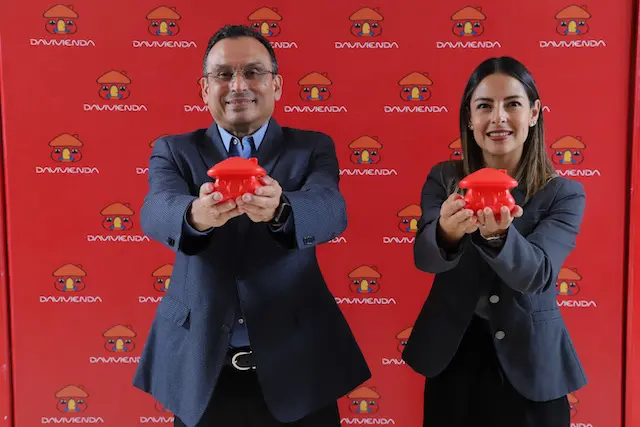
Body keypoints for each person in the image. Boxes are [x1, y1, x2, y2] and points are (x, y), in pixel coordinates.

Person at [132, 24, 371, 427]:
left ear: (276, 85)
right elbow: (156, 209)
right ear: (205, 89)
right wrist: (196, 216)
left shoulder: (312, 147)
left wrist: (281, 210)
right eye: (223, 74)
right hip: (203, 370)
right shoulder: (174, 150)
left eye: (253, 72)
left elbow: (330, 209)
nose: (238, 85)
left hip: (299, 368)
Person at [401, 56, 587, 427]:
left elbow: (538, 275)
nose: (498, 118)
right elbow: (425, 257)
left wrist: (499, 236)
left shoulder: (563, 193)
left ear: (534, 113)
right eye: (484, 106)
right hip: (452, 356)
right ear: (470, 118)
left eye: (513, 104)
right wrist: (447, 233)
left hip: (534, 362)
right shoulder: (444, 179)